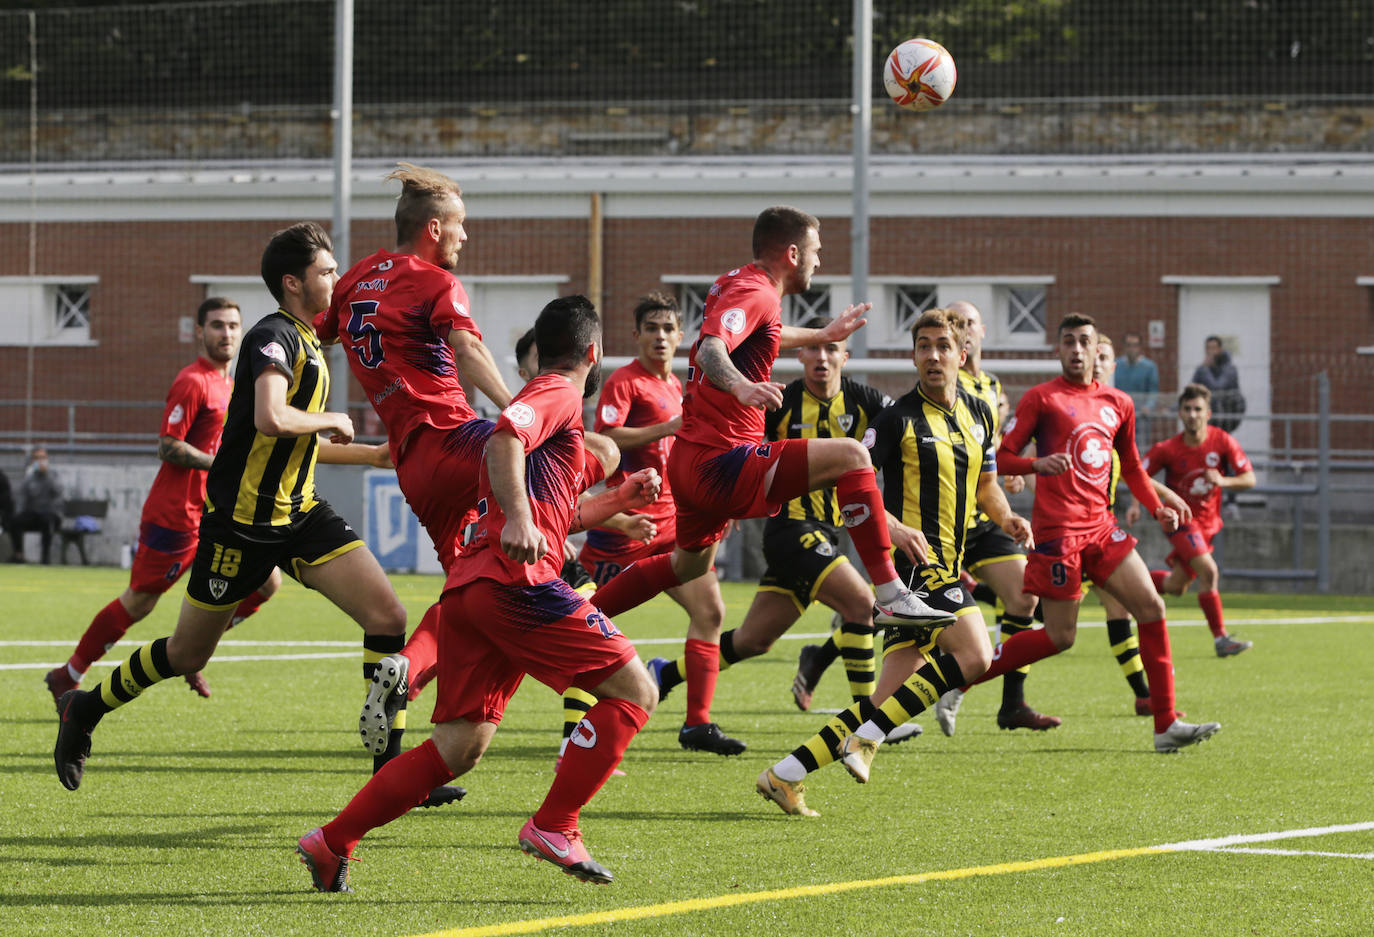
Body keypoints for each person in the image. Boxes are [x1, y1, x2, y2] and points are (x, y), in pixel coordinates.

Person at [297, 296, 662, 891]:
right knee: (635, 690)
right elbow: (503, 440)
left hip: (472, 587)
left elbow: (547, 516)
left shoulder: (554, 412)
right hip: (515, 583)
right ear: (593, 353)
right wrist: (519, 518)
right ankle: (554, 825)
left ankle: (331, 840)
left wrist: (615, 504)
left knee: (457, 746)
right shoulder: (559, 393)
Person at [53, 222, 406, 793]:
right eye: (326, 271)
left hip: (300, 514)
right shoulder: (272, 336)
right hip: (240, 526)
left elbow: (290, 439)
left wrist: (369, 455)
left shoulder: (312, 340)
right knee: (186, 651)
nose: (336, 279)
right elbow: (273, 418)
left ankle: (390, 770)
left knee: (388, 617)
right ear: (293, 283)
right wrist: (335, 419)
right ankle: (84, 708)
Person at [587, 206, 953, 677]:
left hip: (693, 460)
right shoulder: (757, 291)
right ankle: (890, 593)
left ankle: (582, 616)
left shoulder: (738, 282)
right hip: (723, 460)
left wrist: (821, 333)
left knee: (685, 568)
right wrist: (739, 386)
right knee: (851, 455)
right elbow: (712, 347)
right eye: (817, 252)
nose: (819, 263)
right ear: (793, 252)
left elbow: (758, 335)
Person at [756, 308, 1031, 816]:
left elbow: (988, 483)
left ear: (961, 355)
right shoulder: (896, 417)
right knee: (976, 657)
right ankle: (865, 741)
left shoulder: (980, 412)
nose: (932, 355)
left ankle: (784, 774)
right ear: (913, 356)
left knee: (885, 698)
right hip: (914, 568)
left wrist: (1009, 518)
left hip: (951, 562)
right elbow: (849, 486)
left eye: (942, 346)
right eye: (923, 346)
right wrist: (895, 527)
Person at [316, 162, 517, 807]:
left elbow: (307, 348)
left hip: (410, 464)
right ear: (434, 228)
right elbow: (467, 349)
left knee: (467, 584)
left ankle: (408, 671)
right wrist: (523, 413)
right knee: (576, 453)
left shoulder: (352, 283)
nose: (465, 237)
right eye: (460, 225)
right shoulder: (437, 281)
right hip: (458, 443)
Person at [938, 313, 1219, 754]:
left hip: (1103, 529)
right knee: (1059, 637)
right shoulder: (1042, 399)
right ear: (1059, 350)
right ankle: (959, 681)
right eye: (1067, 341)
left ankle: (1165, 724)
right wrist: (1036, 464)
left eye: (1083, 341)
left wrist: (1157, 506)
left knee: (1151, 606)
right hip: (1058, 535)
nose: (1076, 349)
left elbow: (1132, 468)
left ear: (1095, 350)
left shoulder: (1118, 402)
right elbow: (1001, 458)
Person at [653, 316, 919, 745]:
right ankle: (869, 720)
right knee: (860, 604)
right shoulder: (782, 401)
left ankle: (665, 672)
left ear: (844, 357)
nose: (822, 357)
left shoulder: (865, 400)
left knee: (753, 640)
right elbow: (745, 454)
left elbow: (904, 426)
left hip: (826, 534)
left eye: (831, 350)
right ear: (800, 355)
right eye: (814, 349)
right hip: (790, 529)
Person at [44, 298, 281, 707]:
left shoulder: (231, 384)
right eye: (217, 326)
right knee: (140, 600)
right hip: (175, 517)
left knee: (267, 582)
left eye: (232, 326)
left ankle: (192, 649)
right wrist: (218, 465)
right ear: (198, 331)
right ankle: (68, 674)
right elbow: (168, 446)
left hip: (217, 514)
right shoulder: (193, 381)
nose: (225, 334)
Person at [578, 293, 742, 755]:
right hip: (624, 528)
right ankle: (579, 725)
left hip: (673, 526)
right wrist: (666, 427)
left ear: (680, 336)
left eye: (669, 329)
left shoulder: (676, 385)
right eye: (652, 328)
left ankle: (697, 724)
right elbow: (607, 438)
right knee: (585, 622)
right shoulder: (625, 382)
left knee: (710, 612)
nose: (661, 337)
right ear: (637, 335)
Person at [938, 299, 1058, 733]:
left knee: (1025, 595)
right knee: (906, 625)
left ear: (983, 330)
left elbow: (993, 450)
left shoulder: (992, 387)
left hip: (984, 519)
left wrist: (1008, 475)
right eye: (955, 324)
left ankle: (1012, 704)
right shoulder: (942, 383)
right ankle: (877, 712)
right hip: (941, 519)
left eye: (969, 322)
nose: (963, 330)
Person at [1129, 384, 1257, 657]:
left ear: (1208, 413)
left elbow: (1250, 478)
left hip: (1209, 525)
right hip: (1182, 522)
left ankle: (1123, 587)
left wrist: (1223, 480)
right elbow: (1137, 473)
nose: (1192, 414)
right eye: (1187, 409)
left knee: (1176, 586)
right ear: (1180, 413)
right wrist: (1135, 504)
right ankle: (1221, 638)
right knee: (1209, 572)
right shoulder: (1167, 449)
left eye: (1197, 409)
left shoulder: (1221, 441)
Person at [10, 447, 63, 564]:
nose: (40, 460)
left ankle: (45, 557)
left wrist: (46, 474)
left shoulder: (53, 474)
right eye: (37, 458)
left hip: (50, 513)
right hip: (33, 514)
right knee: (15, 521)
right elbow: (22, 497)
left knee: (47, 520)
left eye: (43, 457)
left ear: (47, 459)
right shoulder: (29, 477)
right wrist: (19, 513)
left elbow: (58, 491)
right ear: (32, 460)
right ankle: (19, 555)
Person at [1114, 331, 1162, 448]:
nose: (1132, 349)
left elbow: (1153, 391)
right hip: (1120, 414)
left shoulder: (1149, 367)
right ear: (1124, 347)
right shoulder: (1116, 365)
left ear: (1140, 347)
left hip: (1141, 415)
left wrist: (1148, 406)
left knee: (1139, 447)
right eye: (1129, 345)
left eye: (1135, 345)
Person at [1190, 335, 1244, 433]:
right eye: (1208, 348)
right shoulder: (1202, 369)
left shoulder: (1229, 369)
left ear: (1220, 349)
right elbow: (1191, 390)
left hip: (1225, 417)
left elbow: (1218, 387)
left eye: (1213, 348)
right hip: (1207, 416)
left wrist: (1205, 369)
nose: (1210, 351)